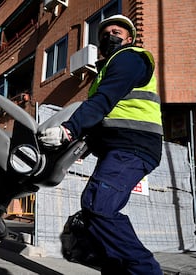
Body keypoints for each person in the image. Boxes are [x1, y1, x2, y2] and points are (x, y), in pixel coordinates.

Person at [39, 15, 163, 274]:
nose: (109, 37)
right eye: (104, 34)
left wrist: (68, 130)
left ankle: (146, 271)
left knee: (99, 207)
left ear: (129, 38)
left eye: (116, 32)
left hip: (133, 146)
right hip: (122, 148)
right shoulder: (107, 69)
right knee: (94, 212)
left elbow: (102, 102)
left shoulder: (129, 58)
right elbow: (105, 116)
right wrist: (82, 146)